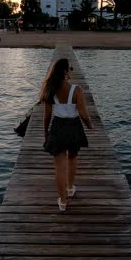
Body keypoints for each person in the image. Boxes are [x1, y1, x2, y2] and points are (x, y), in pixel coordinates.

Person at [39, 58, 93, 212]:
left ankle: (63, 201)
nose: (71, 70)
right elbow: (83, 113)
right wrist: (89, 125)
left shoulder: (50, 89)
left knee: (59, 167)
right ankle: (70, 188)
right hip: (74, 127)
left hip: (57, 127)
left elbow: (47, 116)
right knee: (72, 157)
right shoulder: (76, 90)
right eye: (70, 68)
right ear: (65, 71)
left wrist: (45, 133)